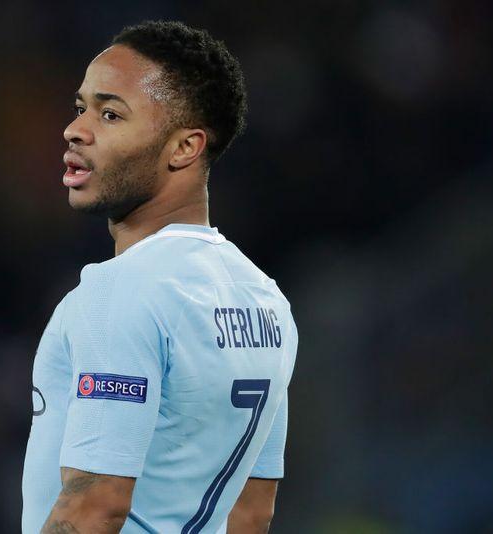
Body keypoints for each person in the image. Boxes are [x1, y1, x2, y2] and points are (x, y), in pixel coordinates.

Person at [21, 20, 298, 534]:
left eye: (110, 114)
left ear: (184, 148)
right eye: (81, 108)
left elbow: (94, 507)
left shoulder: (119, 291)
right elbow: (251, 512)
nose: (76, 130)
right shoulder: (268, 302)